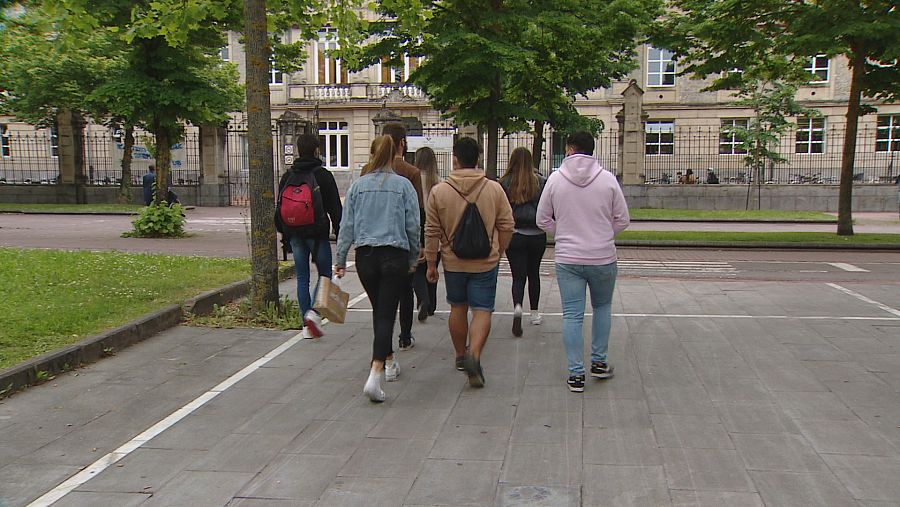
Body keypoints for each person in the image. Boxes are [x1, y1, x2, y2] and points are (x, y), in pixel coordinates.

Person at [536, 131, 630, 393]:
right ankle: (599, 362)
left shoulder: (555, 180)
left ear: (569, 149)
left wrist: (563, 233)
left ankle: (576, 374)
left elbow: (541, 219)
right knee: (602, 307)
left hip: (568, 257)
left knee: (573, 315)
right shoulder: (608, 179)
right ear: (592, 150)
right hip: (602, 256)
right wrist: (602, 235)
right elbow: (622, 219)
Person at [334, 135, 420, 402]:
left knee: (379, 311)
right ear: (395, 154)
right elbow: (413, 225)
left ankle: (389, 361)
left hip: (366, 257)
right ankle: (375, 372)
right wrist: (414, 255)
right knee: (385, 315)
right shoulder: (403, 186)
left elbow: (346, 226)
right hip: (394, 254)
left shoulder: (358, 186)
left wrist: (339, 259)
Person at [425, 137, 514, 387]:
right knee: (483, 310)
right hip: (486, 261)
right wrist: (500, 248)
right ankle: (475, 353)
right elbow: (507, 225)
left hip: (453, 262)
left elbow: (431, 231)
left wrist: (432, 263)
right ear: (478, 159)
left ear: (455, 159)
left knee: (458, 307)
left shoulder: (439, 191)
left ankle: (460, 355)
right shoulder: (494, 189)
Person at [275, 134, 343, 339]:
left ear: (298, 150)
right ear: (316, 150)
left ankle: (305, 324)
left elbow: (280, 206)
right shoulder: (322, 175)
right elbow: (334, 207)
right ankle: (314, 314)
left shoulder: (288, 176)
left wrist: (284, 233)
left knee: (302, 278)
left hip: (294, 232)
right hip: (317, 233)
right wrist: (340, 232)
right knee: (325, 276)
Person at [381, 122, 425, 351]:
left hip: (374, 241)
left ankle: (383, 340)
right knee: (405, 290)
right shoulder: (411, 172)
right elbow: (418, 212)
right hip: (402, 242)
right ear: (402, 143)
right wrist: (420, 245)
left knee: (382, 296)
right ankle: (405, 335)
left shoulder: (368, 171)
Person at [499, 147, 547, 337]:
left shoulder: (504, 183)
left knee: (518, 276)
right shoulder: (541, 182)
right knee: (534, 273)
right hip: (536, 234)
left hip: (515, 234)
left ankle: (517, 307)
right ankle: (534, 313)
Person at [414, 146, 442, 321]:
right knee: (432, 267)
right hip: (434, 230)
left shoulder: (412, 181)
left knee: (417, 270)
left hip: (416, 227)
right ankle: (431, 305)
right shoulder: (439, 182)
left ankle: (422, 299)